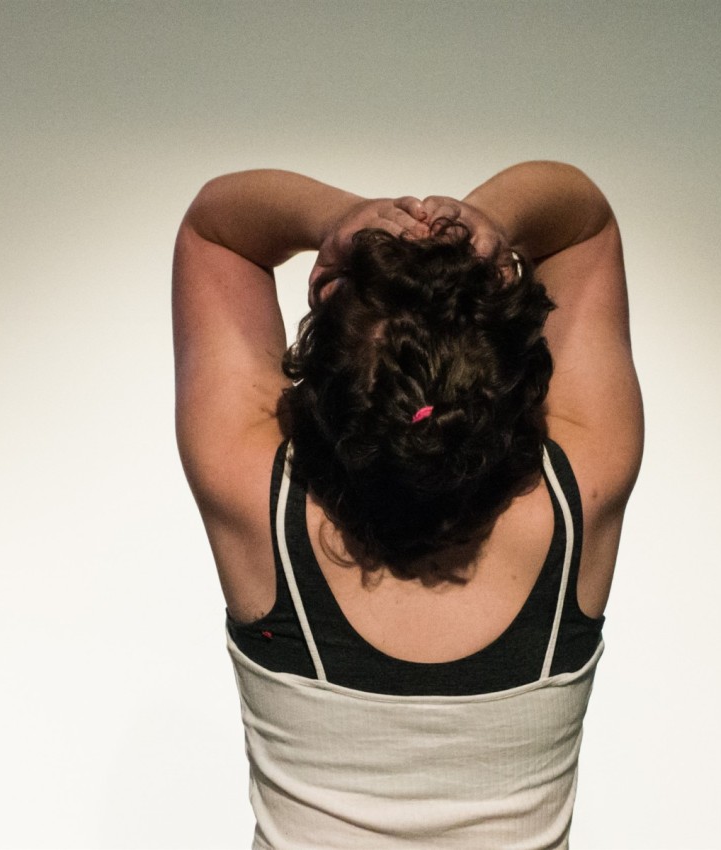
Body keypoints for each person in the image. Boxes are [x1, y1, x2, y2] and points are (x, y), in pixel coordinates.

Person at [172, 161, 643, 849]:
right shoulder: (577, 501)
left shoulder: (258, 502)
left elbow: (217, 231)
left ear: (323, 396)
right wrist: (486, 221)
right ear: (517, 392)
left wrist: (337, 221)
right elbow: (585, 223)